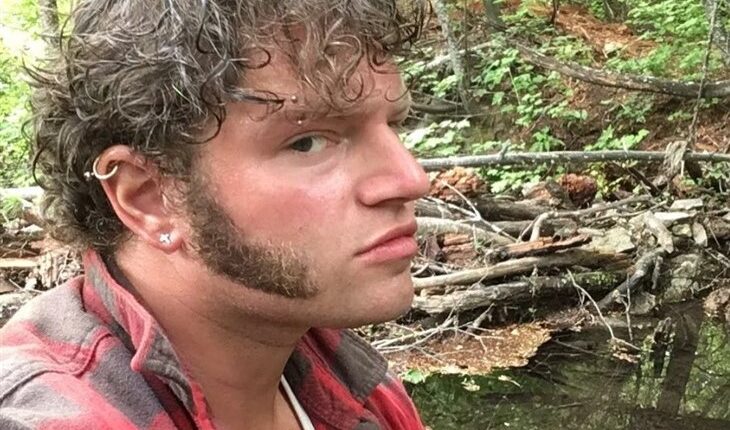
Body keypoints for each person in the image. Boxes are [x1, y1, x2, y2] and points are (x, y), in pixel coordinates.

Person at [0, 1, 430, 429]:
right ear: (150, 198)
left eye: (395, 125)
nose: (411, 179)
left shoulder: (356, 385)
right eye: (308, 142)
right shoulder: (48, 417)